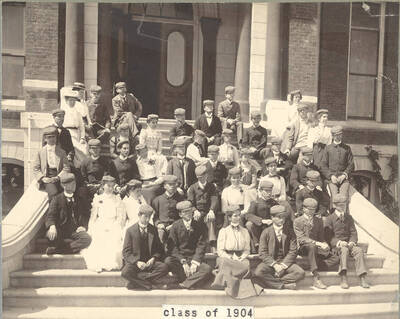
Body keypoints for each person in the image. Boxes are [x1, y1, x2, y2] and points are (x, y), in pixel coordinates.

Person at [121, 204, 176, 290]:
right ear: (139, 215)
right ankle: (150, 284)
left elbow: (159, 249)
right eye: (145, 217)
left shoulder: (153, 229)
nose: (147, 220)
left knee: (164, 267)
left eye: (149, 217)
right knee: (125, 273)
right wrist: (137, 262)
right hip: (136, 263)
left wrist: (153, 258)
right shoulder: (130, 230)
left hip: (149, 262)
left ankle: (136, 283)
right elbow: (126, 251)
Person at [212, 205, 261, 299]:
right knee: (223, 262)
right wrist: (230, 257)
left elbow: (247, 249)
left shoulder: (245, 231)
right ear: (229, 218)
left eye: (239, 215)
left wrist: (242, 257)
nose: (238, 218)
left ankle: (225, 277)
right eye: (235, 216)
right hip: (226, 256)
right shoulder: (223, 231)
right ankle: (231, 284)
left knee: (246, 264)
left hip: (240, 257)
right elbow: (220, 251)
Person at [252, 205, 305, 290]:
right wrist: (275, 265)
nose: (282, 220)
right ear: (272, 217)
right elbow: (262, 253)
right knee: (258, 272)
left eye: (284, 217)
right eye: (279, 217)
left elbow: (293, 251)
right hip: (271, 262)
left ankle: (271, 282)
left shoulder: (290, 232)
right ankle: (283, 285)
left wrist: (283, 265)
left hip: (285, 262)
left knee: (300, 273)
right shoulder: (266, 232)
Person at [165, 201, 213, 289]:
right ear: (180, 214)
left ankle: (184, 283)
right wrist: (183, 262)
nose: (188, 214)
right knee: (168, 261)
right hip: (181, 259)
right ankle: (192, 281)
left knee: (207, 269)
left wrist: (195, 262)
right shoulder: (175, 226)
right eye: (185, 212)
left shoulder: (200, 225)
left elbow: (201, 245)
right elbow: (173, 247)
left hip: (193, 258)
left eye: (190, 211)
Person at [82, 176, 126, 272]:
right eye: (108, 186)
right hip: (100, 223)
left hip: (113, 224)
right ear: (103, 186)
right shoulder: (98, 198)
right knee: (99, 238)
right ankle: (99, 263)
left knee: (113, 239)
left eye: (112, 186)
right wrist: (91, 228)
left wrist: (115, 226)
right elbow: (93, 216)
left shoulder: (117, 199)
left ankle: (111, 263)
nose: (110, 188)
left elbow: (120, 217)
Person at [325, 194, 370, 289]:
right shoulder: (329, 218)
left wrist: (352, 242)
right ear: (335, 205)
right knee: (344, 250)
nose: (343, 207)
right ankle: (343, 276)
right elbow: (328, 236)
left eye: (344, 205)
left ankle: (362, 277)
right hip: (337, 247)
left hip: (349, 244)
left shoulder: (349, 217)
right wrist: (339, 243)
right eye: (340, 205)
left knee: (359, 250)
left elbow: (353, 232)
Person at [293, 198, 339, 289]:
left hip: (316, 247)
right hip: (303, 247)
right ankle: (316, 277)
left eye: (314, 209)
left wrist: (325, 244)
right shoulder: (297, 221)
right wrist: (318, 243)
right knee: (312, 246)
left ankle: (308, 266)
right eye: (310, 209)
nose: (312, 211)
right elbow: (301, 238)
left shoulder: (318, 220)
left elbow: (321, 237)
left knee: (336, 258)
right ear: (304, 209)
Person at [45, 173, 92, 255]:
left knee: (87, 239)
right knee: (51, 237)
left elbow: (85, 214)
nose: (74, 185)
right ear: (64, 186)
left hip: (75, 230)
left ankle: (57, 250)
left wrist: (83, 226)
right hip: (61, 229)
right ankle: (66, 248)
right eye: (71, 184)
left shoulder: (79, 198)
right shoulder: (57, 199)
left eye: (74, 183)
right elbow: (50, 215)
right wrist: (52, 227)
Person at [187, 165, 220, 249]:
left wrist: (212, 210)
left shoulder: (212, 186)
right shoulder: (192, 188)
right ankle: (195, 246)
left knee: (211, 219)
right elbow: (190, 202)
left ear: (206, 175)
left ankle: (212, 245)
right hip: (197, 212)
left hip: (208, 211)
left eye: (202, 177)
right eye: (198, 178)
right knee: (194, 221)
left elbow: (214, 199)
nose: (201, 179)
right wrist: (194, 210)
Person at [33, 126, 69, 198]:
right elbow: (36, 168)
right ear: (45, 139)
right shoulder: (40, 152)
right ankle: (52, 209)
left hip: (59, 178)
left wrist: (57, 177)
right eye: (49, 137)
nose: (52, 139)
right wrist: (43, 178)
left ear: (56, 138)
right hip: (47, 178)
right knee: (53, 193)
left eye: (53, 137)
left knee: (64, 196)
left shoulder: (62, 152)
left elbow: (66, 168)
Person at [321, 125, 354, 199]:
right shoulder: (328, 148)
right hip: (331, 179)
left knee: (344, 197)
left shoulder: (347, 148)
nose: (338, 137)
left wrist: (344, 175)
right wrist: (331, 176)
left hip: (343, 179)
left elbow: (351, 164)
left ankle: (343, 211)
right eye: (336, 135)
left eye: (340, 135)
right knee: (334, 197)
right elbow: (323, 165)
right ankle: (334, 210)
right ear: (332, 136)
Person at [245, 180, 278, 252]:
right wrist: (262, 221)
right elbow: (248, 215)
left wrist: (273, 220)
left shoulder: (274, 202)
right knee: (249, 224)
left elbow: (278, 213)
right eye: (266, 191)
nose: (269, 193)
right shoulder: (255, 202)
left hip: (271, 225)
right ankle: (257, 245)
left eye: (270, 191)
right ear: (260, 191)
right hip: (259, 227)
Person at [151, 175, 185, 245]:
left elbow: (182, 216)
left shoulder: (180, 199)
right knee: (160, 234)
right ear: (164, 186)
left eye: (175, 184)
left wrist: (174, 225)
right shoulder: (157, 200)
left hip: (175, 226)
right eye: (170, 185)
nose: (172, 186)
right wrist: (158, 224)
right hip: (162, 227)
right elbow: (154, 217)